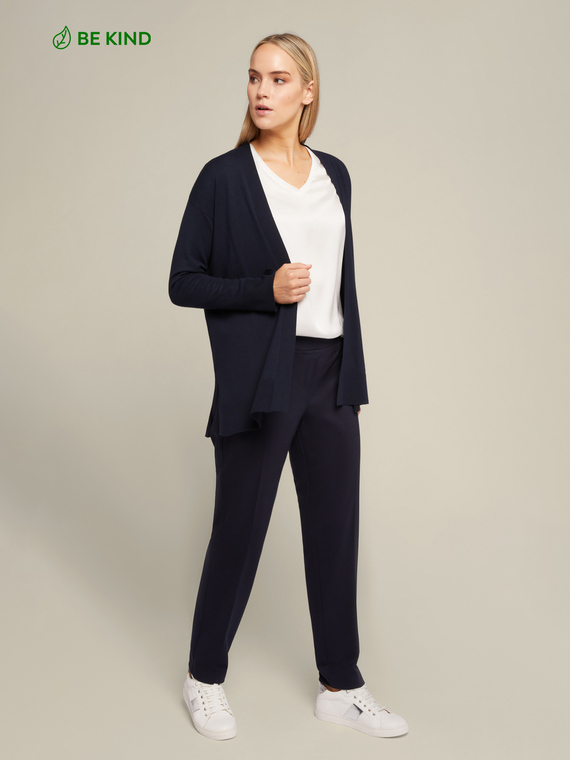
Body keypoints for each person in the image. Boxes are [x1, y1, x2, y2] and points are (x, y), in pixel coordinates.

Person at [168, 32, 408, 742]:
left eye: (278, 79)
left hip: (332, 371)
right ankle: (204, 676)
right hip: (263, 378)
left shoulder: (336, 174)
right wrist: (263, 289)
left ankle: (342, 684)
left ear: (308, 91)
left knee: (335, 530)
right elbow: (183, 280)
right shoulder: (223, 178)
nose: (262, 91)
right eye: (254, 77)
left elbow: (340, 281)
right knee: (240, 529)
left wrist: (344, 364)